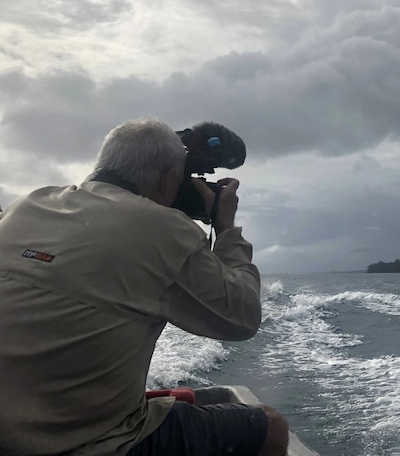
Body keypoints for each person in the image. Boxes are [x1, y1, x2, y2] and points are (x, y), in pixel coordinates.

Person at [0, 118, 289, 456]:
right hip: (86, 443)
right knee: (271, 428)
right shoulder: (164, 229)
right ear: (170, 177)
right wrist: (225, 229)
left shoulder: (26, 206)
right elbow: (242, 317)